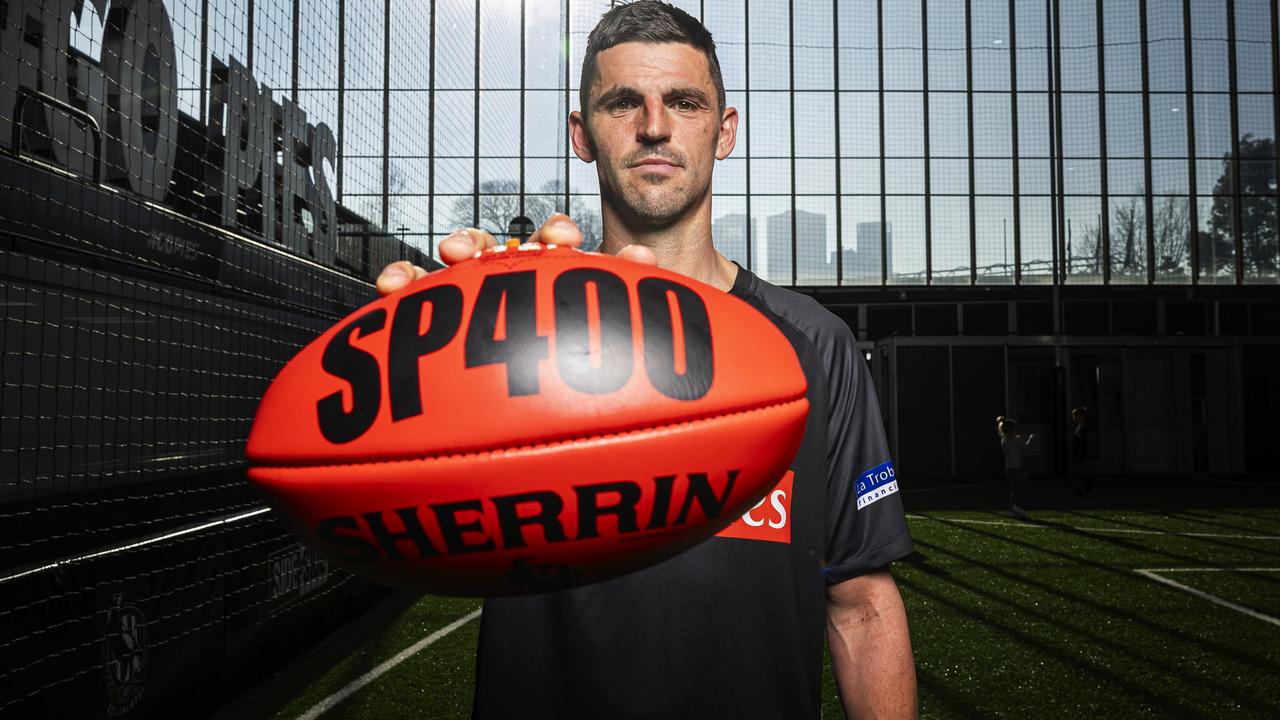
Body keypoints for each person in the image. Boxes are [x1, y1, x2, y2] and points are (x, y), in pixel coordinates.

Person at [376, 3, 917, 717]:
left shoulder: (813, 343)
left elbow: (861, 606)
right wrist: (418, 357)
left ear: (723, 132)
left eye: (685, 102)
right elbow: (409, 514)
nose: (655, 126)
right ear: (582, 134)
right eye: (623, 102)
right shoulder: (510, 326)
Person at [997, 416, 1034, 519]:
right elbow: (1026, 447)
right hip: (1016, 468)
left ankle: (1014, 509)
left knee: (1016, 489)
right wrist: (1030, 438)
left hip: (1009, 468)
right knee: (1024, 488)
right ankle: (1017, 508)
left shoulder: (1004, 440)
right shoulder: (1014, 440)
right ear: (1012, 429)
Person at [1069, 406, 1089, 496]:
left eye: (1079, 416)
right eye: (1076, 416)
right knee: (1076, 471)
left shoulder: (1083, 426)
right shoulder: (1077, 426)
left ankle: (1081, 489)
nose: (1077, 418)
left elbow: (1081, 438)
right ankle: (1078, 489)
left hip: (1081, 452)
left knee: (1080, 471)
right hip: (1076, 451)